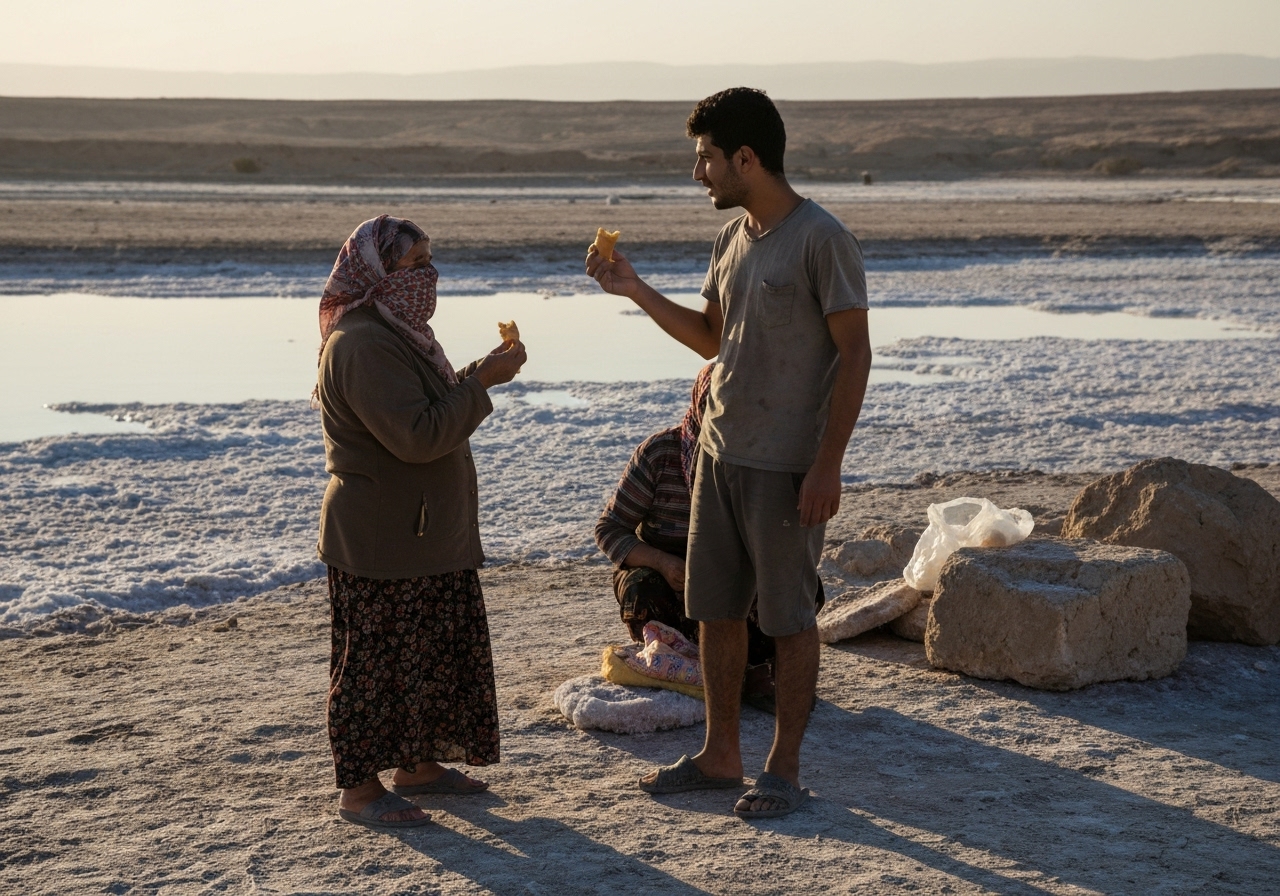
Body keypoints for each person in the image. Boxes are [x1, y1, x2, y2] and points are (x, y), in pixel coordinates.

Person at [586, 88, 872, 819]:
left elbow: (856, 354)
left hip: (788, 466)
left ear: (746, 157)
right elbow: (715, 339)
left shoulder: (821, 238)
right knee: (715, 610)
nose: (698, 173)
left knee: (787, 618)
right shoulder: (733, 238)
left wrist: (828, 463)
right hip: (719, 454)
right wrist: (634, 289)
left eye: (706, 158)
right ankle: (720, 756)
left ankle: (783, 769)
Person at [315, 214, 527, 830]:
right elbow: (417, 436)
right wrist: (482, 382)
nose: (427, 277)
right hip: (383, 539)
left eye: (431, 262)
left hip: (427, 533)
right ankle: (358, 790)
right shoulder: (360, 344)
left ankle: (418, 766)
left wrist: (471, 377)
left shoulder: (398, 334)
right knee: (373, 665)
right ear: (377, 271)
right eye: (414, 265)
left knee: (430, 654)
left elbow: (429, 408)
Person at [594, 363, 824, 709]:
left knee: (804, 588)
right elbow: (609, 529)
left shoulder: (760, 460)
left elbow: (782, 540)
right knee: (641, 589)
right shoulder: (658, 454)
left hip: (734, 586)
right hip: (671, 585)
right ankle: (687, 660)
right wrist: (663, 562)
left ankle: (749, 667)